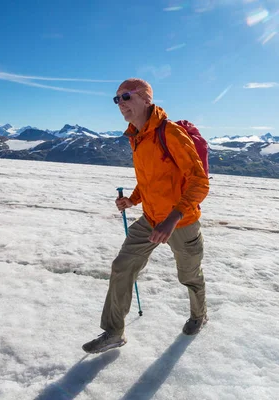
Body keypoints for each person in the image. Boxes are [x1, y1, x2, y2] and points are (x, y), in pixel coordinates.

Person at [83, 78, 210, 353]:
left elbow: (200, 181)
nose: (120, 104)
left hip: (181, 221)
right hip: (151, 218)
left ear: (145, 99)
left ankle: (199, 315)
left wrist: (172, 219)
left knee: (189, 275)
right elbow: (151, 180)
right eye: (116, 99)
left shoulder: (171, 133)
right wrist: (133, 199)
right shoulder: (137, 137)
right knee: (122, 266)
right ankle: (114, 331)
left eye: (125, 97)